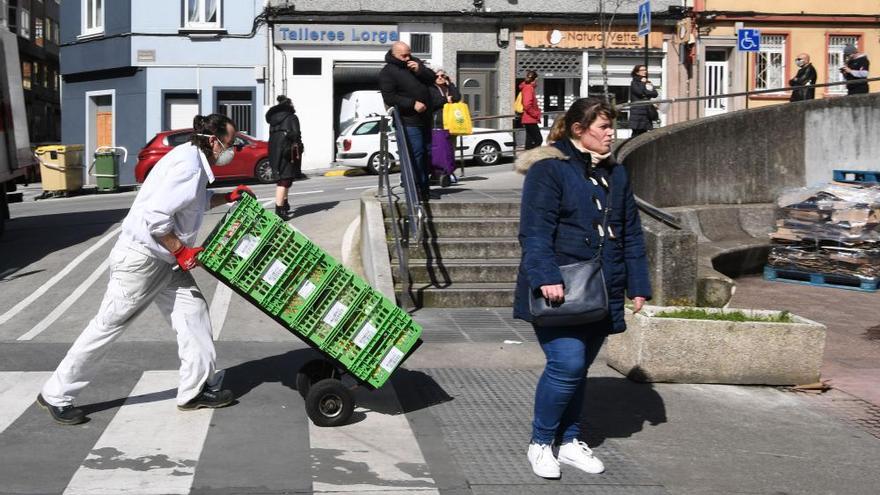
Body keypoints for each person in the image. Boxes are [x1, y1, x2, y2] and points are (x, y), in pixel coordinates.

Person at [37, 114, 251, 425]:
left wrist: (226, 197)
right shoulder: (189, 167)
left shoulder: (191, 159)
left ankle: (194, 390)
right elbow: (156, 218)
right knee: (108, 325)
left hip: (162, 260)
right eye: (229, 144)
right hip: (143, 260)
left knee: (193, 313)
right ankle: (56, 394)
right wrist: (183, 250)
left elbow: (190, 202)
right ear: (212, 140)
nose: (232, 151)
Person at [513, 97, 651, 479]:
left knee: (580, 368)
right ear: (579, 130)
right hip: (560, 286)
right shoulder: (549, 170)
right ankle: (541, 442)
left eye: (613, 127)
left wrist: (638, 283)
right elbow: (534, 230)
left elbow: (630, 233)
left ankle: (570, 439)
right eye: (603, 128)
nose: (612, 135)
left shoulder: (616, 173)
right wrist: (546, 277)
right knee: (567, 363)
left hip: (603, 286)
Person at [379, 41, 437, 201]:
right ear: (394, 54)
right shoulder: (388, 72)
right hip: (408, 120)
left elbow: (432, 78)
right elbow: (390, 97)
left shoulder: (415, 62)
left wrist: (420, 70)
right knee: (415, 154)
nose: (407, 58)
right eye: (403, 55)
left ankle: (425, 189)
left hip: (425, 118)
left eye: (408, 54)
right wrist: (412, 103)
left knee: (426, 153)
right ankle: (414, 190)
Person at [265, 95, 304, 220]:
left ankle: (284, 204)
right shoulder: (292, 117)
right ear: (289, 105)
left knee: (284, 179)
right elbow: (296, 134)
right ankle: (279, 210)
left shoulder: (273, 120)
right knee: (284, 181)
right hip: (287, 151)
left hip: (274, 150)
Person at [428, 69, 461, 187]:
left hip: (452, 123)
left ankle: (449, 172)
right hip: (438, 123)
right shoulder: (431, 88)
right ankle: (438, 173)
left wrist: (450, 84)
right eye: (438, 76)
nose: (440, 78)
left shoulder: (448, 88)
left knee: (451, 149)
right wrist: (445, 100)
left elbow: (457, 97)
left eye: (443, 76)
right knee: (439, 150)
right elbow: (433, 102)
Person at [629, 65, 658, 137]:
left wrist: (646, 91)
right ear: (637, 72)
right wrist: (642, 84)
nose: (645, 71)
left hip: (646, 111)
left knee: (644, 133)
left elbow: (654, 93)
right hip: (637, 111)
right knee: (636, 134)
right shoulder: (634, 82)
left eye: (645, 70)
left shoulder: (648, 82)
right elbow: (639, 92)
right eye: (642, 70)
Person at [519, 70, 543, 150]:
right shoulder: (529, 88)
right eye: (537, 79)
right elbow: (527, 105)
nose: (537, 81)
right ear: (534, 79)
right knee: (538, 139)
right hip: (530, 119)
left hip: (528, 119)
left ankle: (528, 159)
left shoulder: (527, 87)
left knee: (530, 141)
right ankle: (533, 158)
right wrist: (535, 114)